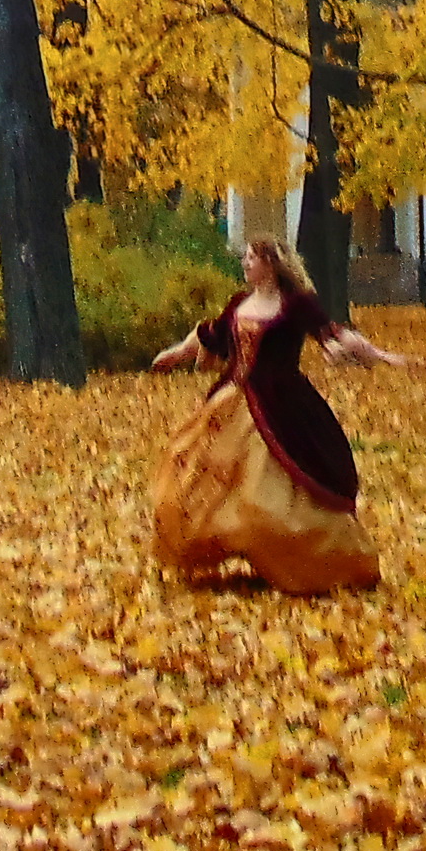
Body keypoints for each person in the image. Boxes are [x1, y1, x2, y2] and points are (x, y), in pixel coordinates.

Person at [141, 237, 404, 596]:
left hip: (282, 406)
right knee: (201, 476)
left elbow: (334, 335)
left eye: (252, 258)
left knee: (272, 491)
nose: (245, 263)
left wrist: (376, 354)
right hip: (233, 402)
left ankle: (309, 561)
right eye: (246, 258)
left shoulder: (296, 304)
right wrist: (176, 353)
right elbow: (210, 335)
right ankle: (225, 541)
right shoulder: (238, 304)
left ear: (271, 262)